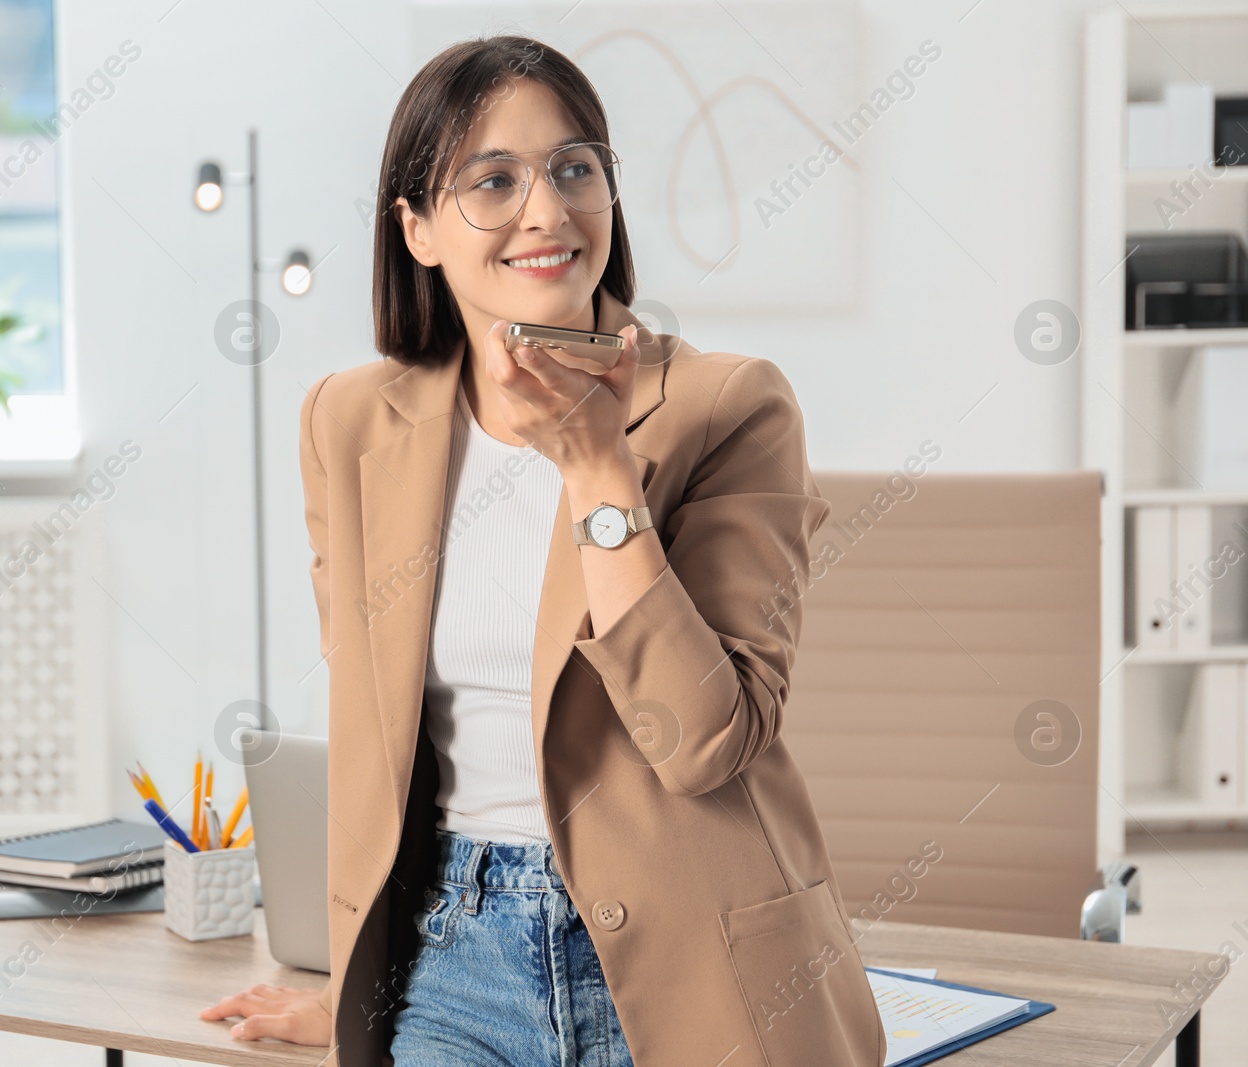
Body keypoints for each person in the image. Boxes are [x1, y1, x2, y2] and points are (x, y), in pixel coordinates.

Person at [200, 33, 886, 1067]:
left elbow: (707, 740)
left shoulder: (725, 406)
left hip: (694, 962)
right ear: (418, 229)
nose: (546, 211)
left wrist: (599, 477)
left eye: (576, 168)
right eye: (493, 180)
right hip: (455, 958)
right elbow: (377, 730)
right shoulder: (347, 422)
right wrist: (358, 987)